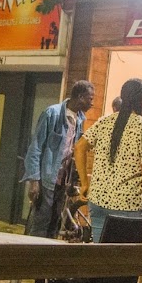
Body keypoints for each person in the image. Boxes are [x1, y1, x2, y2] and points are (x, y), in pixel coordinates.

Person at [74, 78, 142, 283]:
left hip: (99, 203)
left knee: (97, 261)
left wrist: (85, 183)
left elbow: (80, 146)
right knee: (123, 270)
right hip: (128, 209)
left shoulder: (106, 121)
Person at [22, 80, 95, 238]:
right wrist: (34, 181)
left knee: (55, 221)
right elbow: (35, 147)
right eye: (90, 98)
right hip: (47, 177)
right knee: (41, 221)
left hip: (63, 180)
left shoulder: (80, 119)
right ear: (80, 97)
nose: (92, 103)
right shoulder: (52, 113)